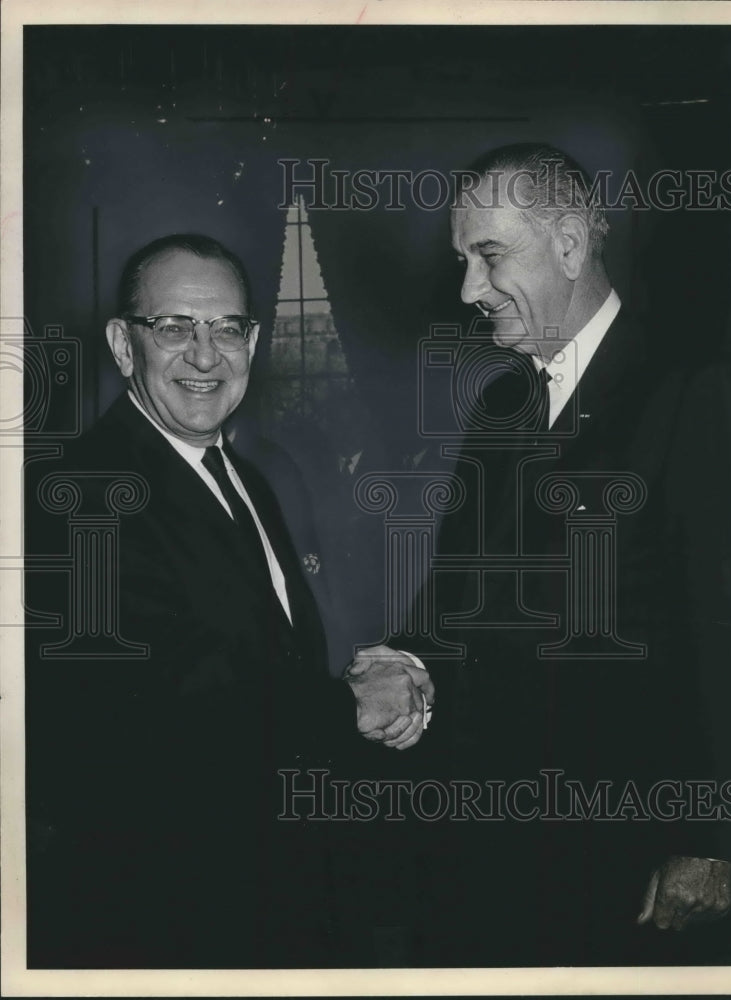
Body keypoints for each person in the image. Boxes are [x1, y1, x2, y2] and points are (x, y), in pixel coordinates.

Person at [356, 143, 731, 965]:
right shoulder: (499, 402)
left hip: (628, 860)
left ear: (569, 243)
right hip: (490, 853)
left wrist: (711, 841)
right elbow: (455, 605)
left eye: (489, 256)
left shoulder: (697, 389)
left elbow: (729, 637)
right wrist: (401, 660)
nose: (467, 290)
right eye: (461, 261)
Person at [25, 234, 432, 968]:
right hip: (162, 921)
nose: (205, 356)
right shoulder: (84, 494)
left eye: (226, 329)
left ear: (254, 339)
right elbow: (167, 705)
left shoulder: (245, 476)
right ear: (124, 343)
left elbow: (263, 665)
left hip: (274, 901)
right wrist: (354, 704)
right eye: (174, 327)